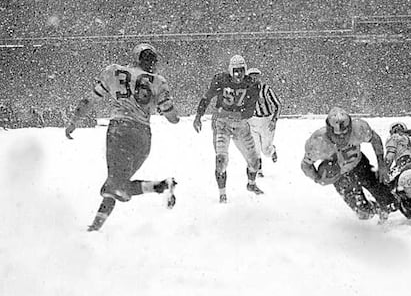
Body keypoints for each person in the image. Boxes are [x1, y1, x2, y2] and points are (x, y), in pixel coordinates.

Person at [64, 43, 179, 232]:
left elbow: (90, 100)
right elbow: (173, 118)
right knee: (118, 184)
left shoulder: (115, 72)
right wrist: (161, 107)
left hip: (120, 130)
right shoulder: (158, 81)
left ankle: (159, 186)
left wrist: (75, 120)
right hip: (143, 136)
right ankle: (96, 227)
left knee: (115, 185)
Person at [301, 107, 396, 221]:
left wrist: (382, 166)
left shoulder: (359, 128)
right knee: (364, 212)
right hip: (339, 177)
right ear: (329, 131)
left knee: (389, 202)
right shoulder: (318, 142)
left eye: (345, 134)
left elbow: (374, 139)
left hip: (360, 165)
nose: (342, 139)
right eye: (337, 136)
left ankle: (387, 206)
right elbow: (305, 165)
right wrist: (317, 178)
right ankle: (373, 208)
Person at [193, 54, 263, 203]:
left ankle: (251, 184)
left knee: (255, 161)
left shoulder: (251, 84)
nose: (238, 75)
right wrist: (198, 115)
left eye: (241, 70)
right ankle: (222, 194)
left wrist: (238, 114)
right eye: (235, 71)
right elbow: (207, 97)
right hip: (222, 123)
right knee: (221, 160)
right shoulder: (221, 80)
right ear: (230, 70)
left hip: (240, 125)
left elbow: (250, 109)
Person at [246, 67, 281, 176]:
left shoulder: (266, 89)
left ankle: (272, 151)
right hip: (252, 121)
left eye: (256, 76)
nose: (254, 79)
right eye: (252, 77)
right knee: (255, 148)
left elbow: (277, 105)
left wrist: (274, 120)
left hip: (266, 120)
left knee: (265, 150)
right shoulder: (245, 91)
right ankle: (259, 169)